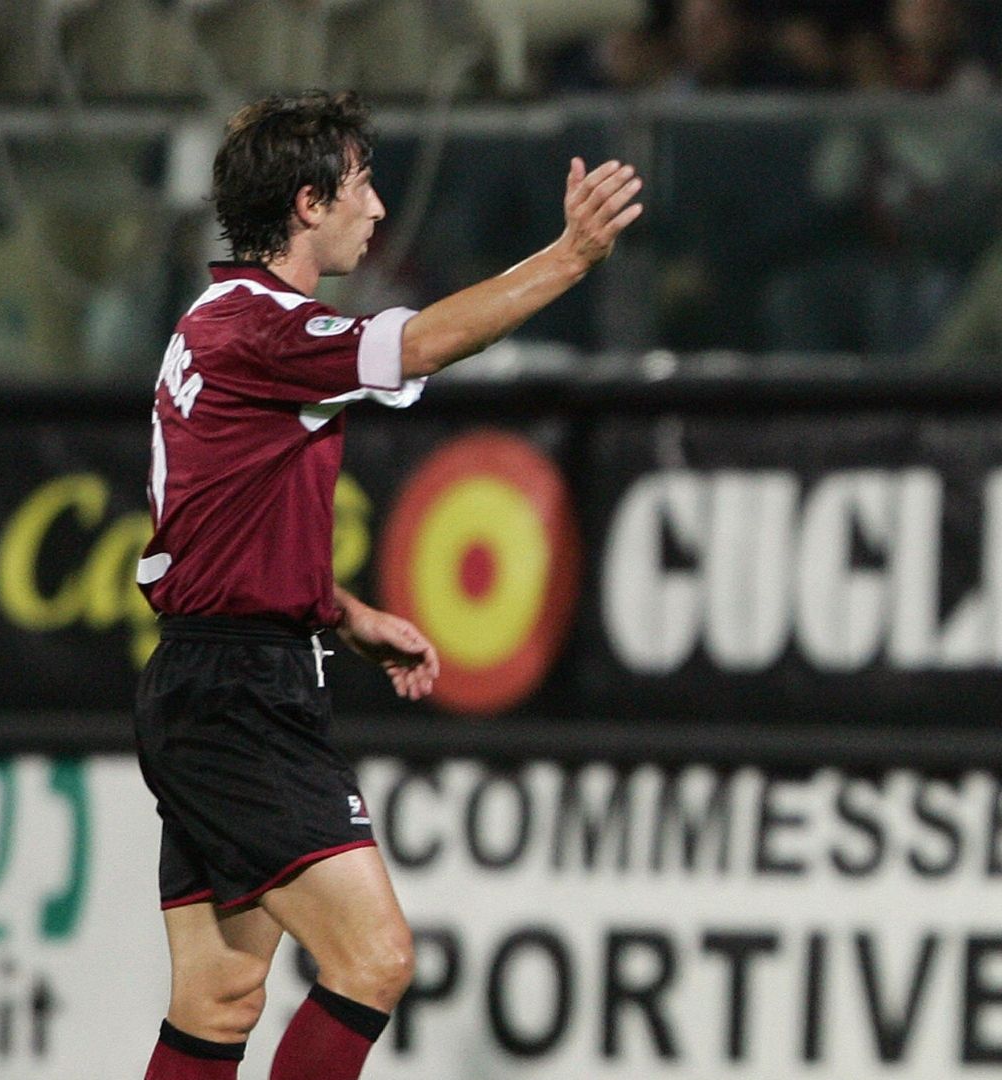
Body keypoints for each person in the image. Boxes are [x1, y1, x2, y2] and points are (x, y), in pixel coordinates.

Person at [133, 90, 641, 1080]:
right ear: (310, 203)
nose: (377, 207)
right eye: (363, 183)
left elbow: (215, 522)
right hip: (240, 696)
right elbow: (421, 344)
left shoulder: (211, 322)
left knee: (220, 998)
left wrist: (346, 614)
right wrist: (568, 259)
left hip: (209, 677)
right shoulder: (267, 331)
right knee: (375, 958)